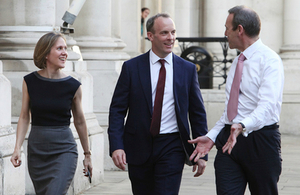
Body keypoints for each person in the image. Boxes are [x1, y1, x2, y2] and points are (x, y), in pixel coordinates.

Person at [108, 13, 208, 195]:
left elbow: (197, 113)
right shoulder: (132, 68)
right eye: (164, 33)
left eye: (173, 32)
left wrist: (201, 153)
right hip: (138, 146)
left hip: (172, 146)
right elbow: (117, 110)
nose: (170, 38)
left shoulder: (187, 69)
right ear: (150, 36)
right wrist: (117, 145)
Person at [189, 5, 284, 195]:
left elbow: (267, 106)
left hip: (261, 142)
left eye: (227, 28)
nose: (225, 33)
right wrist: (212, 136)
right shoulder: (237, 62)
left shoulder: (270, 60)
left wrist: (242, 125)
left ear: (239, 29)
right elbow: (231, 111)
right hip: (228, 143)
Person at [10, 32, 93, 195]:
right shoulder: (30, 81)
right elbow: (25, 117)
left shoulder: (73, 85)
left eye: (66, 48)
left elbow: (80, 122)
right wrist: (17, 148)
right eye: (59, 48)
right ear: (46, 53)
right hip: (37, 150)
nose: (65, 53)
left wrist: (87, 154)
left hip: (64, 150)